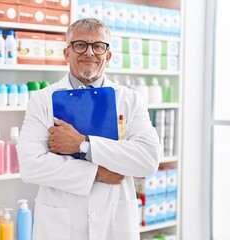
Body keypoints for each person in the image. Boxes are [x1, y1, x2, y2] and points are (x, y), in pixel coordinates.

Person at [16, 18, 161, 240]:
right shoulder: (42, 99)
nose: (90, 53)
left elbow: (148, 159)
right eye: (80, 44)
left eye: (98, 46)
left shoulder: (130, 100)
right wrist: (97, 173)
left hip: (114, 220)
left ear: (108, 55)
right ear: (67, 53)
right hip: (61, 224)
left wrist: (83, 144)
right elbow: (30, 165)